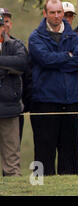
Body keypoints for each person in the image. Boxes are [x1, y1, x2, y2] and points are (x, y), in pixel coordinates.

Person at [28, 0, 78, 175]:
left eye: (59, 12)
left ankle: (69, 189)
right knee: (44, 151)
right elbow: (44, 59)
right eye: (52, 12)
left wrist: (57, 59)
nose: (56, 16)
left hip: (70, 101)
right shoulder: (35, 37)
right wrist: (67, 56)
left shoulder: (74, 36)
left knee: (70, 152)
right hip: (45, 100)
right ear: (45, 14)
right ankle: (37, 186)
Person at [0, 14, 28, 176]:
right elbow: (13, 65)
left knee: (12, 160)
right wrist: (8, 67)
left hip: (9, 108)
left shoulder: (16, 45)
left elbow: (22, 64)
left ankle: (15, 190)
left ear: (3, 27)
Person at [0, 8, 32, 142]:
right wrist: (8, 68)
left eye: (6, 21)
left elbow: (26, 74)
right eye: (3, 22)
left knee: (12, 153)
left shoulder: (17, 46)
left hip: (13, 108)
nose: (5, 25)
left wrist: (25, 105)